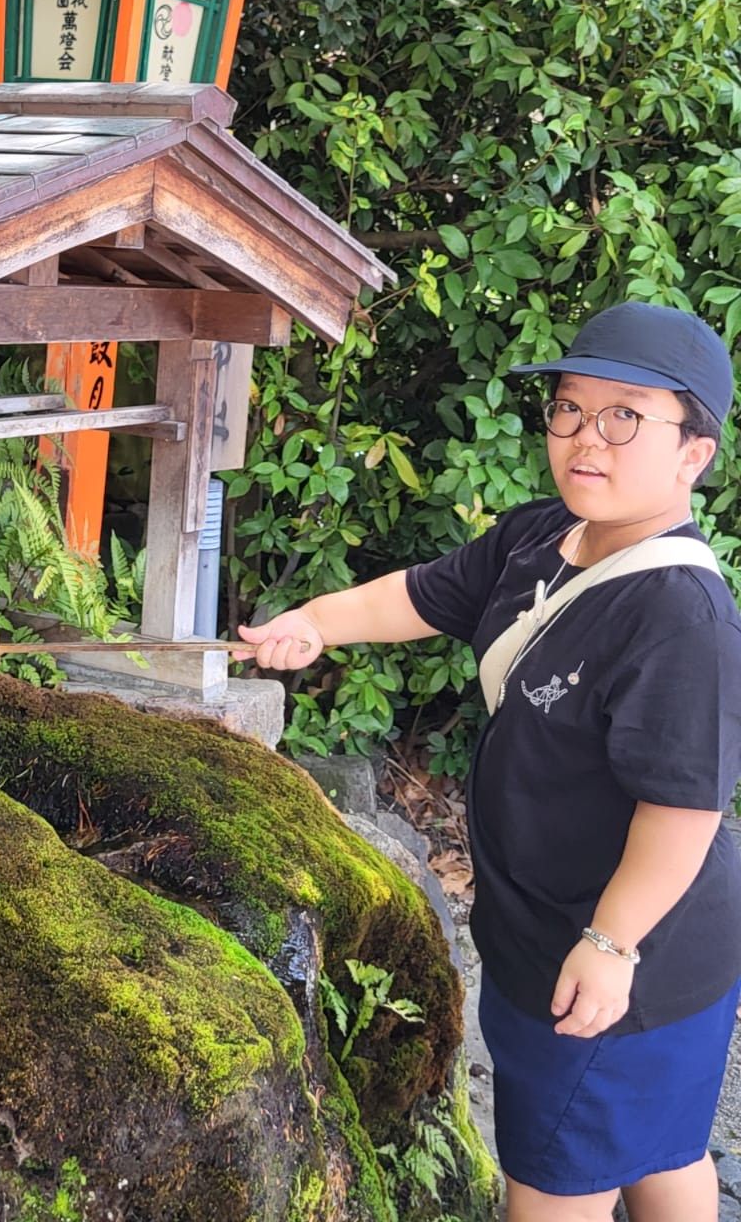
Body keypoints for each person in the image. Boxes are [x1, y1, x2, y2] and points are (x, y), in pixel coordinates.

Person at [237, 301, 741, 1222]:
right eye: (571, 408)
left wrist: (611, 943)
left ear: (692, 454)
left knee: (557, 1181)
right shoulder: (538, 536)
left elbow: (684, 810)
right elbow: (423, 596)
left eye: (625, 415)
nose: (587, 437)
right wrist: (315, 621)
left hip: (613, 960)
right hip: (578, 937)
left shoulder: (682, 616)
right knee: (662, 1146)